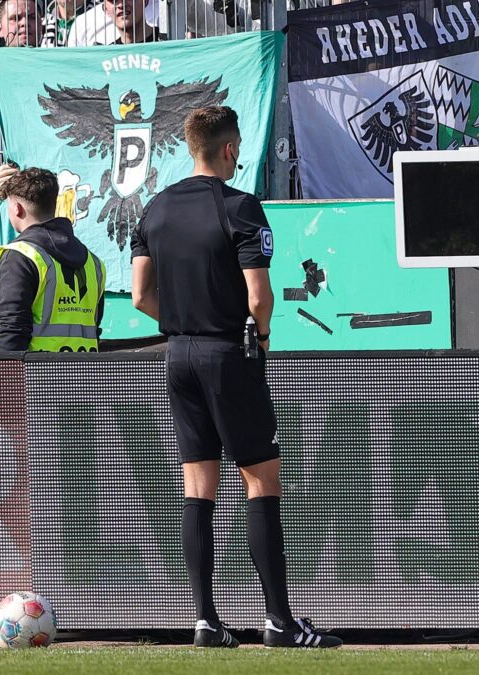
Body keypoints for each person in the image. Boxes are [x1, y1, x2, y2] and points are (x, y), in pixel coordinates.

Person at [130, 106, 341, 650]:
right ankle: (279, 621)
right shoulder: (241, 206)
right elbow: (259, 297)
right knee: (260, 479)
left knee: (198, 487)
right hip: (228, 353)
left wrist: (183, 324)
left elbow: (140, 296)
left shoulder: (154, 207)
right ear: (227, 149)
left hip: (176, 355)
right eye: (239, 145)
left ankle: (205, 619)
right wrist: (260, 338)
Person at [0, 165, 106, 352]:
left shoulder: (19, 256)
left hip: (31, 377)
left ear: (16, 209)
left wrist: (4, 378)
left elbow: (12, 330)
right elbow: (94, 328)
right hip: (80, 376)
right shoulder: (94, 263)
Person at [68, 0, 160, 45]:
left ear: (146, 1)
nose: (121, 5)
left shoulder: (167, 42)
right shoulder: (108, 53)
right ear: (105, 9)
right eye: (113, 0)